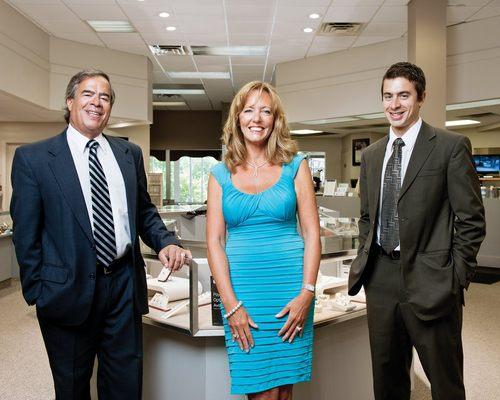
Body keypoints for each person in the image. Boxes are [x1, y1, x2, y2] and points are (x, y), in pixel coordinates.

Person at [10, 69, 190, 400]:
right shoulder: (33, 159)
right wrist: (39, 291)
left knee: (125, 385)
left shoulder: (128, 155)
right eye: (88, 94)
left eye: (105, 97)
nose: (97, 102)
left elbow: (144, 212)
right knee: (73, 388)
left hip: (123, 286)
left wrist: (165, 241)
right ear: (70, 101)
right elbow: (26, 234)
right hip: (66, 291)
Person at [348, 62, 486, 399]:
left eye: (403, 95)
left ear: (421, 97)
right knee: (387, 379)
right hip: (380, 279)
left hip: (433, 281)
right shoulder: (372, 155)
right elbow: (368, 217)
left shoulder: (450, 146)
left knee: (445, 382)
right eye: (387, 96)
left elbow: (471, 219)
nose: (394, 104)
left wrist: (456, 277)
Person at [206, 81, 321, 400]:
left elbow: (312, 233)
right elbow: (215, 242)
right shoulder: (219, 174)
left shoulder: (296, 166)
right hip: (243, 297)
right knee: (262, 393)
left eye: (266, 111)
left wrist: (306, 294)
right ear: (238, 117)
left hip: (290, 292)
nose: (257, 118)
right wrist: (231, 306)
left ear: (275, 120)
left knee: (283, 392)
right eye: (249, 110)